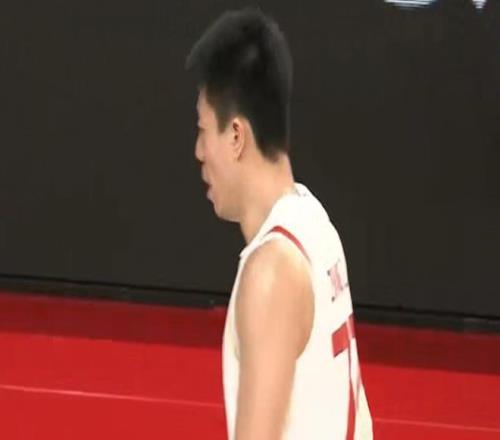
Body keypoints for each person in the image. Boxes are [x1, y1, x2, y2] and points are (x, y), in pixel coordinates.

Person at [186, 7, 372, 440]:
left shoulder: (270, 272)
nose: (198, 151)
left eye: (203, 130)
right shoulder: (314, 221)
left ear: (236, 136)